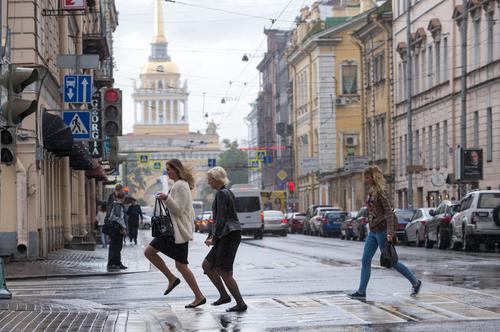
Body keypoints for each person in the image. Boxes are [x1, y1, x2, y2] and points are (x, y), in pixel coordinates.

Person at [348, 165, 421, 300]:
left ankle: (415, 282)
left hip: (382, 231)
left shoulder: (380, 192)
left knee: (391, 261)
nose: (366, 180)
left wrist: (390, 232)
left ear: (374, 177)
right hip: (373, 231)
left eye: (368, 177)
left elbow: (389, 212)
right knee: (365, 260)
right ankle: (361, 291)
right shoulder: (372, 191)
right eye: (365, 177)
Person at [143, 159, 206, 308]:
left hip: (177, 233)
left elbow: (178, 210)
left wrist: (166, 198)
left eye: (169, 169)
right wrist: (167, 198)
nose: (167, 172)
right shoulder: (179, 185)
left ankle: (192, 292)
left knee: (175, 263)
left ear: (177, 169)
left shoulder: (180, 186)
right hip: (175, 232)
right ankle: (187, 289)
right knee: (178, 264)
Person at [202, 166, 247, 312]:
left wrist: (214, 238)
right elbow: (220, 219)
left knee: (223, 270)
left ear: (216, 179)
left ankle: (240, 303)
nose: (209, 182)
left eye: (210, 179)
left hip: (228, 235)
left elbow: (221, 219)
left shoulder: (222, 194)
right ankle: (224, 296)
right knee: (207, 265)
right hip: (227, 234)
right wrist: (212, 236)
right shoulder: (227, 192)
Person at [107, 191, 128, 270]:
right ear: (122, 198)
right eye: (124, 198)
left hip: (115, 228)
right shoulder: (117, 205)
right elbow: (118, 218)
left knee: (117, 246)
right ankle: (113, 263)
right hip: (117, 228)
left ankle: (117, 262)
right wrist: (124, 227)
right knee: (115, 246)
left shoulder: (116, 205)